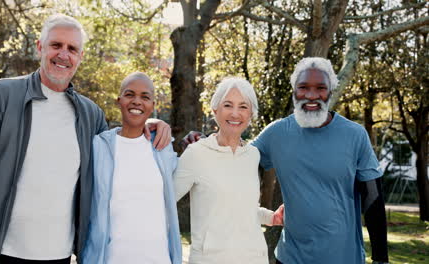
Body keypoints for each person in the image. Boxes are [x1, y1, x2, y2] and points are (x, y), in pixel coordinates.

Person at [0, 14, 170, 264]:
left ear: (80, 57)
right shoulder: (2, 96)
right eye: (56, 45)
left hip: (60, 257)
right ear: (40, 47)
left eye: (72, 49)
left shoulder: (90, 115)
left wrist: (147, 122)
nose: (63, 54)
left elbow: (118, 148)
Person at [183, 58, 389, 264]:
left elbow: (373, 198)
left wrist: (381, 259)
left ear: (330, 92)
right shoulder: (277, 133)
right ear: (294, 91)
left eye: (320, 88)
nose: (311, 95)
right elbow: (235, 157)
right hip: (291, 257)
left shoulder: (355, 135)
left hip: (344, 258)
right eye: (303, 87)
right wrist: (204, 142)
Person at [174, 77, 284, 264]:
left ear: (251, 114)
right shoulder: (196, 153)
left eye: (243, 107)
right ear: (215, 110)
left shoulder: (252, 155)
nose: (235, 113)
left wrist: (271, 217)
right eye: (228, 105)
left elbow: (240, 208)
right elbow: (164, 202)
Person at [82, 72, 182, 264]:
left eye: (145, 97)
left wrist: (194, 136)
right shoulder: (98, 146)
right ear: (119, 100)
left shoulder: (162, 147)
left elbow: (192, 162)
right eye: (130, 95)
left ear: (153, 105)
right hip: (110, 259)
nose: (137, 101)